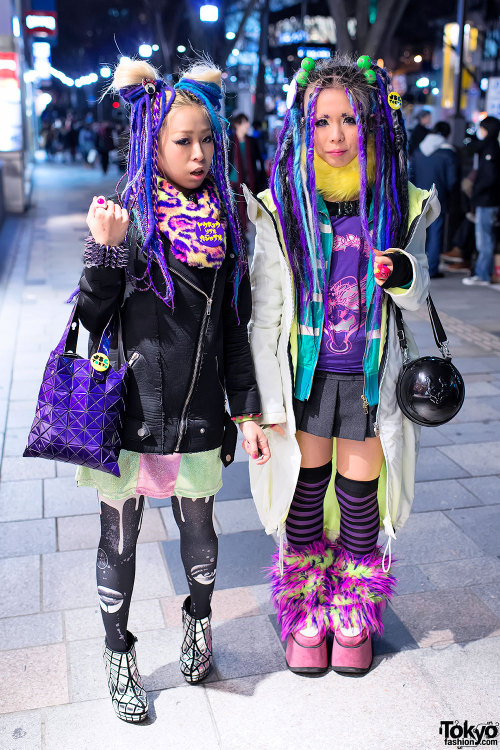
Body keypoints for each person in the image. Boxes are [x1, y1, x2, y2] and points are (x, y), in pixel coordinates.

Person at [75, 58, 269, 722]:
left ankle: (198, 622)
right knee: (120, 542)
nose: (197, 153)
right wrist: (103, 254)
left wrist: (245, 410)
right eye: (182, 141)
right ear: (154, 142)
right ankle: (118, 654)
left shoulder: (227, 222)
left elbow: (235, 327)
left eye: (206, 139)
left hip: (199, 414)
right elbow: (89, 321)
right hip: (132, 415)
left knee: (202, 537)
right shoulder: (127, 217)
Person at [245, 53, 440, 676]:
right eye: (323, 121)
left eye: (350, 121)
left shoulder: (398, 199)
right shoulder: (283, 204)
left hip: (368, 379)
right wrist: (263, 405)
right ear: (304, 125)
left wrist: (403, 274)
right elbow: (266, 310)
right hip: (304, 380)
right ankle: (304, 608)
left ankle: (353, 610)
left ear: (373, 124)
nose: (335, 136)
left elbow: (420, 291)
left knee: (359, 498)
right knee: (305, 495)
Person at [411, 121, 459, 277]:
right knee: (436, 233)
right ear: (446, 134)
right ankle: (431, 269)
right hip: (438, 198)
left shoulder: (419, 150)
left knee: (417, 233)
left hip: (418, 197)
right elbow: (452, 180)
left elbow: (412, 175)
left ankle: (414, 268)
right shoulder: (447, 153)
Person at [462, 115, 500, 286]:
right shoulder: (489, 147)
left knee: (484, 239)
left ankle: (483, 275)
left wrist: (476, 192)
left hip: (487, 201)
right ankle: (483, 273)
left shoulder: (491, 149)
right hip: (488, 200)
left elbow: (489, 177)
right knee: (485, 238)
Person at [229, 113, 267, 233]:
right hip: (234, 181)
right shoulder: (230, 141)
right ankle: (240, 230)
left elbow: (259, 160)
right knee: (236, 208)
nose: (247, 125)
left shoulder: (251, 141)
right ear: (237, 125)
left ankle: (250, 229)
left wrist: (261, 176)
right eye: (245, 122)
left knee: (252, 206)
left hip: (249, 180)